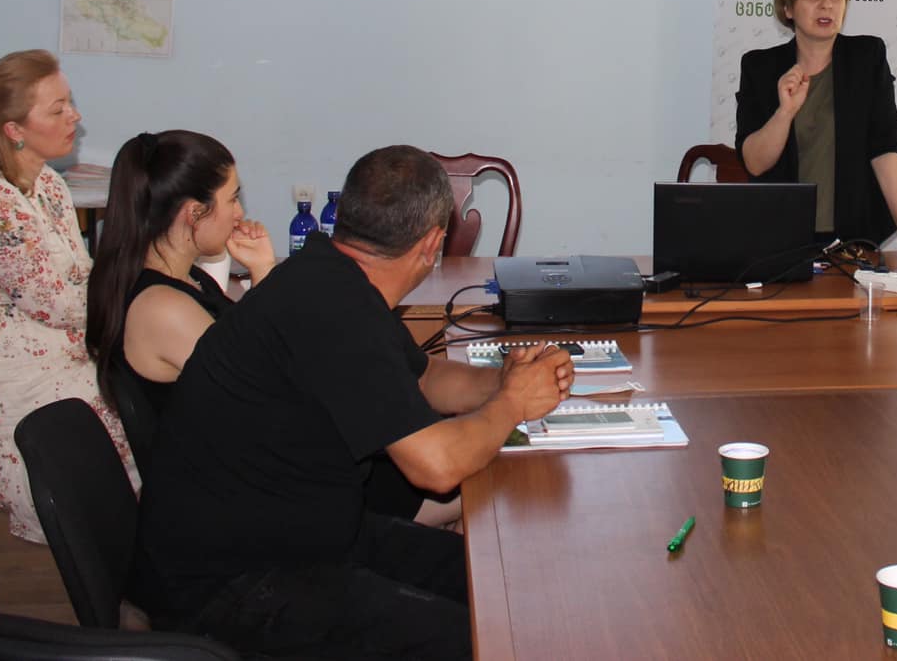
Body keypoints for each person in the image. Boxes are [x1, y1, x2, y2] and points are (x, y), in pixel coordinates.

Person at [129, 144, 575, 659]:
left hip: (305, 536)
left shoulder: (327, 273)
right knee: (481, 640)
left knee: (503, 584)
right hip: (229, 581)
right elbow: (436, 467)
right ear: (433, 244)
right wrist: (513, 404)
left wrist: (503, 381)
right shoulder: (335, 306)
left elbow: (423, 376)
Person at [0, 48, 133, 542]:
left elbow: (78, 279)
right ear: (14, 129)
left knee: (129, 385)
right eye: (57, 109)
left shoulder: (48, 185)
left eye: (69, 102)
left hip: (36, 339)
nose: (74, 116)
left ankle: (133, 541)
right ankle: (104, 544)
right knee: (105, 402)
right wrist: (140, 290)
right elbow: (62, 303)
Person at [735, 0, 897, 256]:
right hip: (782, 242)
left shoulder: (867, 57)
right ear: (788, 8)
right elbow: (755, 163)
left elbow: (885, 148)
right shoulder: (761, 68)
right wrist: (785, 112)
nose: (827, 4)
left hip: (854, 240)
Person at [85, 129, 273, 418]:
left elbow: (248, 345)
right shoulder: (164, 308)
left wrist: (261, 269)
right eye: (232, 199)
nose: (239, 213)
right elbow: (259, 385)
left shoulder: (191, 278)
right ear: (195, 212)